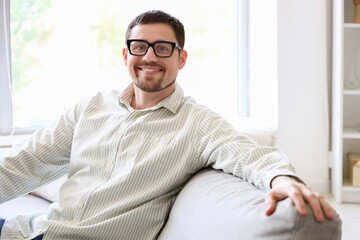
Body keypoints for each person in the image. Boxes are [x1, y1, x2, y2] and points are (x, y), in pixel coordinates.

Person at [0, 10, 339, 240]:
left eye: (162, 48)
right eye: (140, 46)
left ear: (181, 58)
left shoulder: (197, 123)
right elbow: (25, 164)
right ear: (125, 55)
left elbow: (248, 154)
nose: (149, 57)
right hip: (29, 230)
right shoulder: (91, 107)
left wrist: (284, 179)